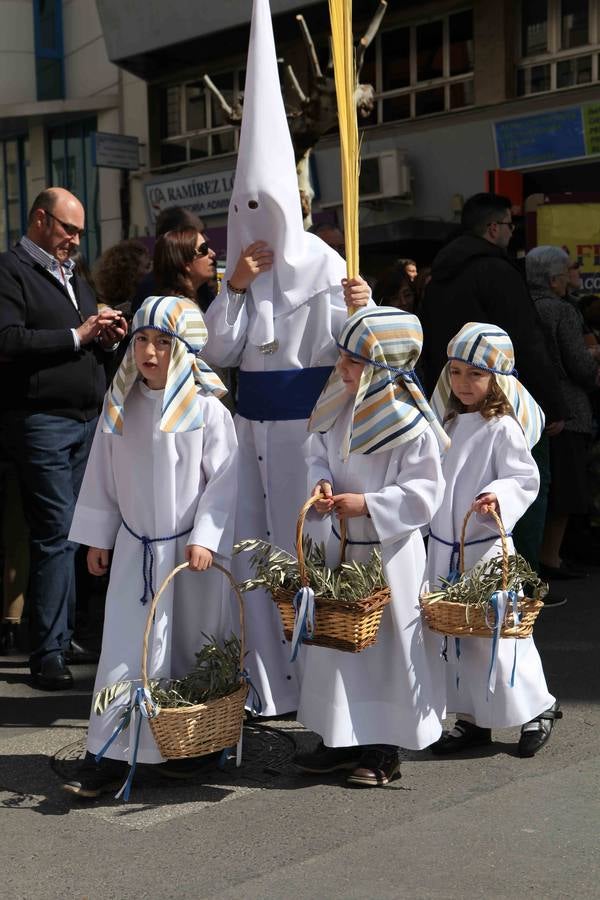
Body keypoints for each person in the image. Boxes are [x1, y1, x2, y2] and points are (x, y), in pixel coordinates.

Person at [202, 0, 370, 716]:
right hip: (250, 438)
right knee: (254, 557)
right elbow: (219, 350)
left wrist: (362, 306)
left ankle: (324, 686)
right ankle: (268, 685)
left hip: (308, 436)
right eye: (244, 209)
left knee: (313, 554)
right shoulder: (237, 275)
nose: (254, 225)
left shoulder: (331, 265)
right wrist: (233, 288)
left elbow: (359, 353)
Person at [63, 296, 238, 798]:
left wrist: (206, 538)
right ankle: (108, 752)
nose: (150, 352)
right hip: (136, 551)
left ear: (185, 351)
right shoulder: (120, 406)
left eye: (164, 342)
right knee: (125, 653)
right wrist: (100, 536)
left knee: (188, 649)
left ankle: (192, 746)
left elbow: (224, 483)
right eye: (141, 340)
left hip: (189, 561)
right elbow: (102, 472)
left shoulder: (208, 411)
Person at [293, 307, 447, 786]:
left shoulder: (410, 426)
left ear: (382, 365)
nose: (342, 367)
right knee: (339, 644)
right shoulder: (340, 404)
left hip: (388, 554)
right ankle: (339, 737)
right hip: (342, 548)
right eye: (341, 355)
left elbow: (424, 494)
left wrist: (370, 504)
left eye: (353, 360)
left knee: (386, 652)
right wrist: (319, 483)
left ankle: (384, 747)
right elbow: (315, 450)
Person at [0, 187, 127, 689]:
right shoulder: (10, 271)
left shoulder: (73, 275)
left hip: (84, 419)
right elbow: (7, 340)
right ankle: (47, 651)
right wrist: (78, 335)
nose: (75, 239)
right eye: (67, 229)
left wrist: (107, 337)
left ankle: (61, 633)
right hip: (41, 420)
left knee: (76, 532)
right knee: (55, 531)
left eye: (79, 232)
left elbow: (83, 340)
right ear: (39, 220)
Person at [425, 322, 561, 758]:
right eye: (457, 373)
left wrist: (495, 496)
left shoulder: (501, 427)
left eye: (476, 375)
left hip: (485, 550)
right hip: (446, 549)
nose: (464, 384)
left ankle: (537, 707)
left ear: (497, 379)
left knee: (500, 636)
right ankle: (471, 717)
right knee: (456, 638)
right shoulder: (446, 420)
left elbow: (524, 477)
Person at [419, 193, 566, 429]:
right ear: (494, 228)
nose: (512, 231)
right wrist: (550, 404)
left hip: (448, 401)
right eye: (510, 224)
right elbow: (526, 338)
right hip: (501, 403)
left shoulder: (437, 278)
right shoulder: (498, 271)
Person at [526, 247, 600, 580]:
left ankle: (544, 555)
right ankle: (551, 557)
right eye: (569, 269)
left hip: (537, 409)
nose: (574, 274)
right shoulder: (563, 311)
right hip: (568, 410)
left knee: (546, 487)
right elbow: (579, 364)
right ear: (555, 279)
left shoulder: (524, 306)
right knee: (567, 490)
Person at [130, 207, 212, 317]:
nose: (206, 238)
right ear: (176, 240)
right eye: (198, 233)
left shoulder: (202, 289)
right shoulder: (153, 297)